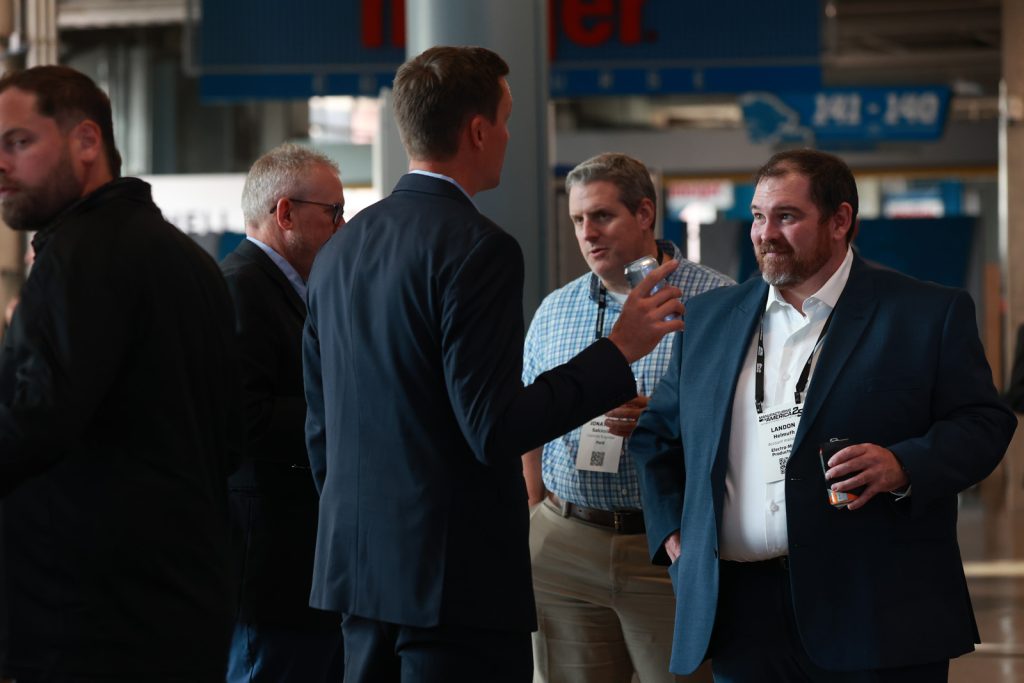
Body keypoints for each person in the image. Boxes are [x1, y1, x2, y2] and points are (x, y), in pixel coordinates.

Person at [303, 46, 683, 683]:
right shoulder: (478, 248)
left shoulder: (342, 248)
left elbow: (321, 424)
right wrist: (618, 352)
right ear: (478, 131)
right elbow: (494, 427)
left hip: (358, 570)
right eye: (506, 121)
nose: (509, 137)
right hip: (453, 581)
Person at [632, 149, 1017, 683]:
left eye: (787, 216)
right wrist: (674, 533)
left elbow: (984, 422)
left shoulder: (925, 313)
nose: (766, 234)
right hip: (743, 616)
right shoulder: (708, 320)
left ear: (840, 221)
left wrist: (904, 465)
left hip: (875, 608)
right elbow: (655, 436)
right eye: (758, 216)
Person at [0, 66, 239, 681]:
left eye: (18, 142)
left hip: (92, 619)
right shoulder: (186, 259)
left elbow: (33, 422)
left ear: (86, 141)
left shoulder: (79, 256)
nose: (2, 165)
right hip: (182, 605)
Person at [522, 152, 730, 683]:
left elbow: (746, 422)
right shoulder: (554, 310)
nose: (586, 233)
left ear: (644, 213)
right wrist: (536, 505)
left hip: (666, 546)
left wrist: (664, 423)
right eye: (577, 219)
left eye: (601, 216)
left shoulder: (718, 302)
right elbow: (527, 418)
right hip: (565, 544)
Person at [221, 143, 345, 683]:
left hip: (300, 559)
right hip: (271, 563)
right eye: (333, 212)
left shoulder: (294, 289)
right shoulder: (241, 286)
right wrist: (344, 414)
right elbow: (241, 419)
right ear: (285, 213)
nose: (343, 227)